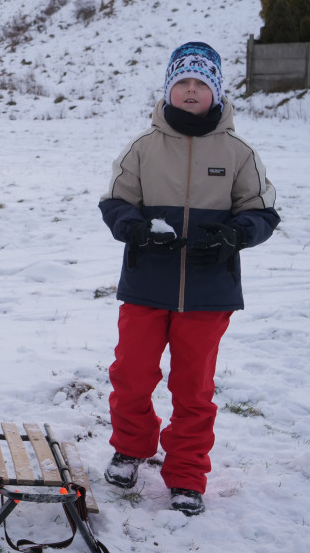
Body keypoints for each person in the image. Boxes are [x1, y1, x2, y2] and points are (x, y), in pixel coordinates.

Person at [98, 41, 279, 516]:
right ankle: (131, 449)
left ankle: (186, 474)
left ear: (216, 91)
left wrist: (234, 235)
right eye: (183, 82)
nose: (192, 90)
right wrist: (135, 229)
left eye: (202, 83)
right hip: (145, 286)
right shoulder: (142, 148)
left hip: (208, 291)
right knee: (131, 375)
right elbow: (115, 202)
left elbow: (261, 211)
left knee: (193, 388)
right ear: (169, 90)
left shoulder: (238, 153)